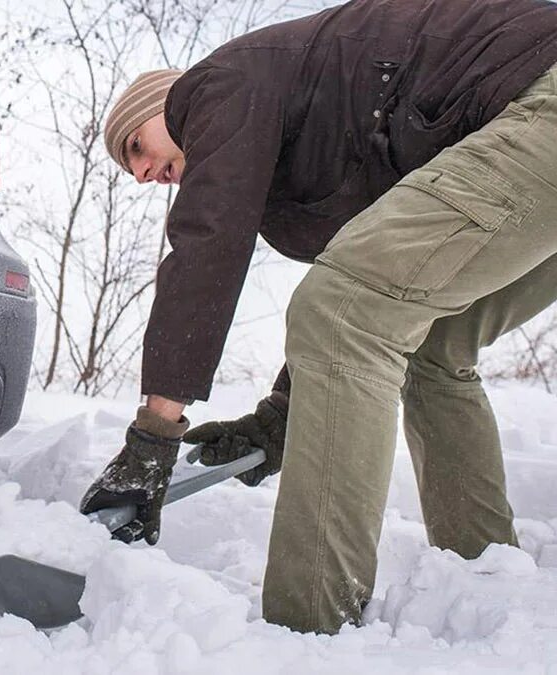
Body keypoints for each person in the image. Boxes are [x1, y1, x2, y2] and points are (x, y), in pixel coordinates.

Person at [78, 0, 557, 634]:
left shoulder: (222, 82)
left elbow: (209, 245)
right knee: (428, 345)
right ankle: (480, 582)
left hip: (539, 101)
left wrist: (152, 438)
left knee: (341, 312)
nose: (141, 173)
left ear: (166, 108)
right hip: (523, 134)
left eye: (135, 147)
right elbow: (374, 285)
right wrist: (279, 416)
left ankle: (307, 630)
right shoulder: (310, 143)